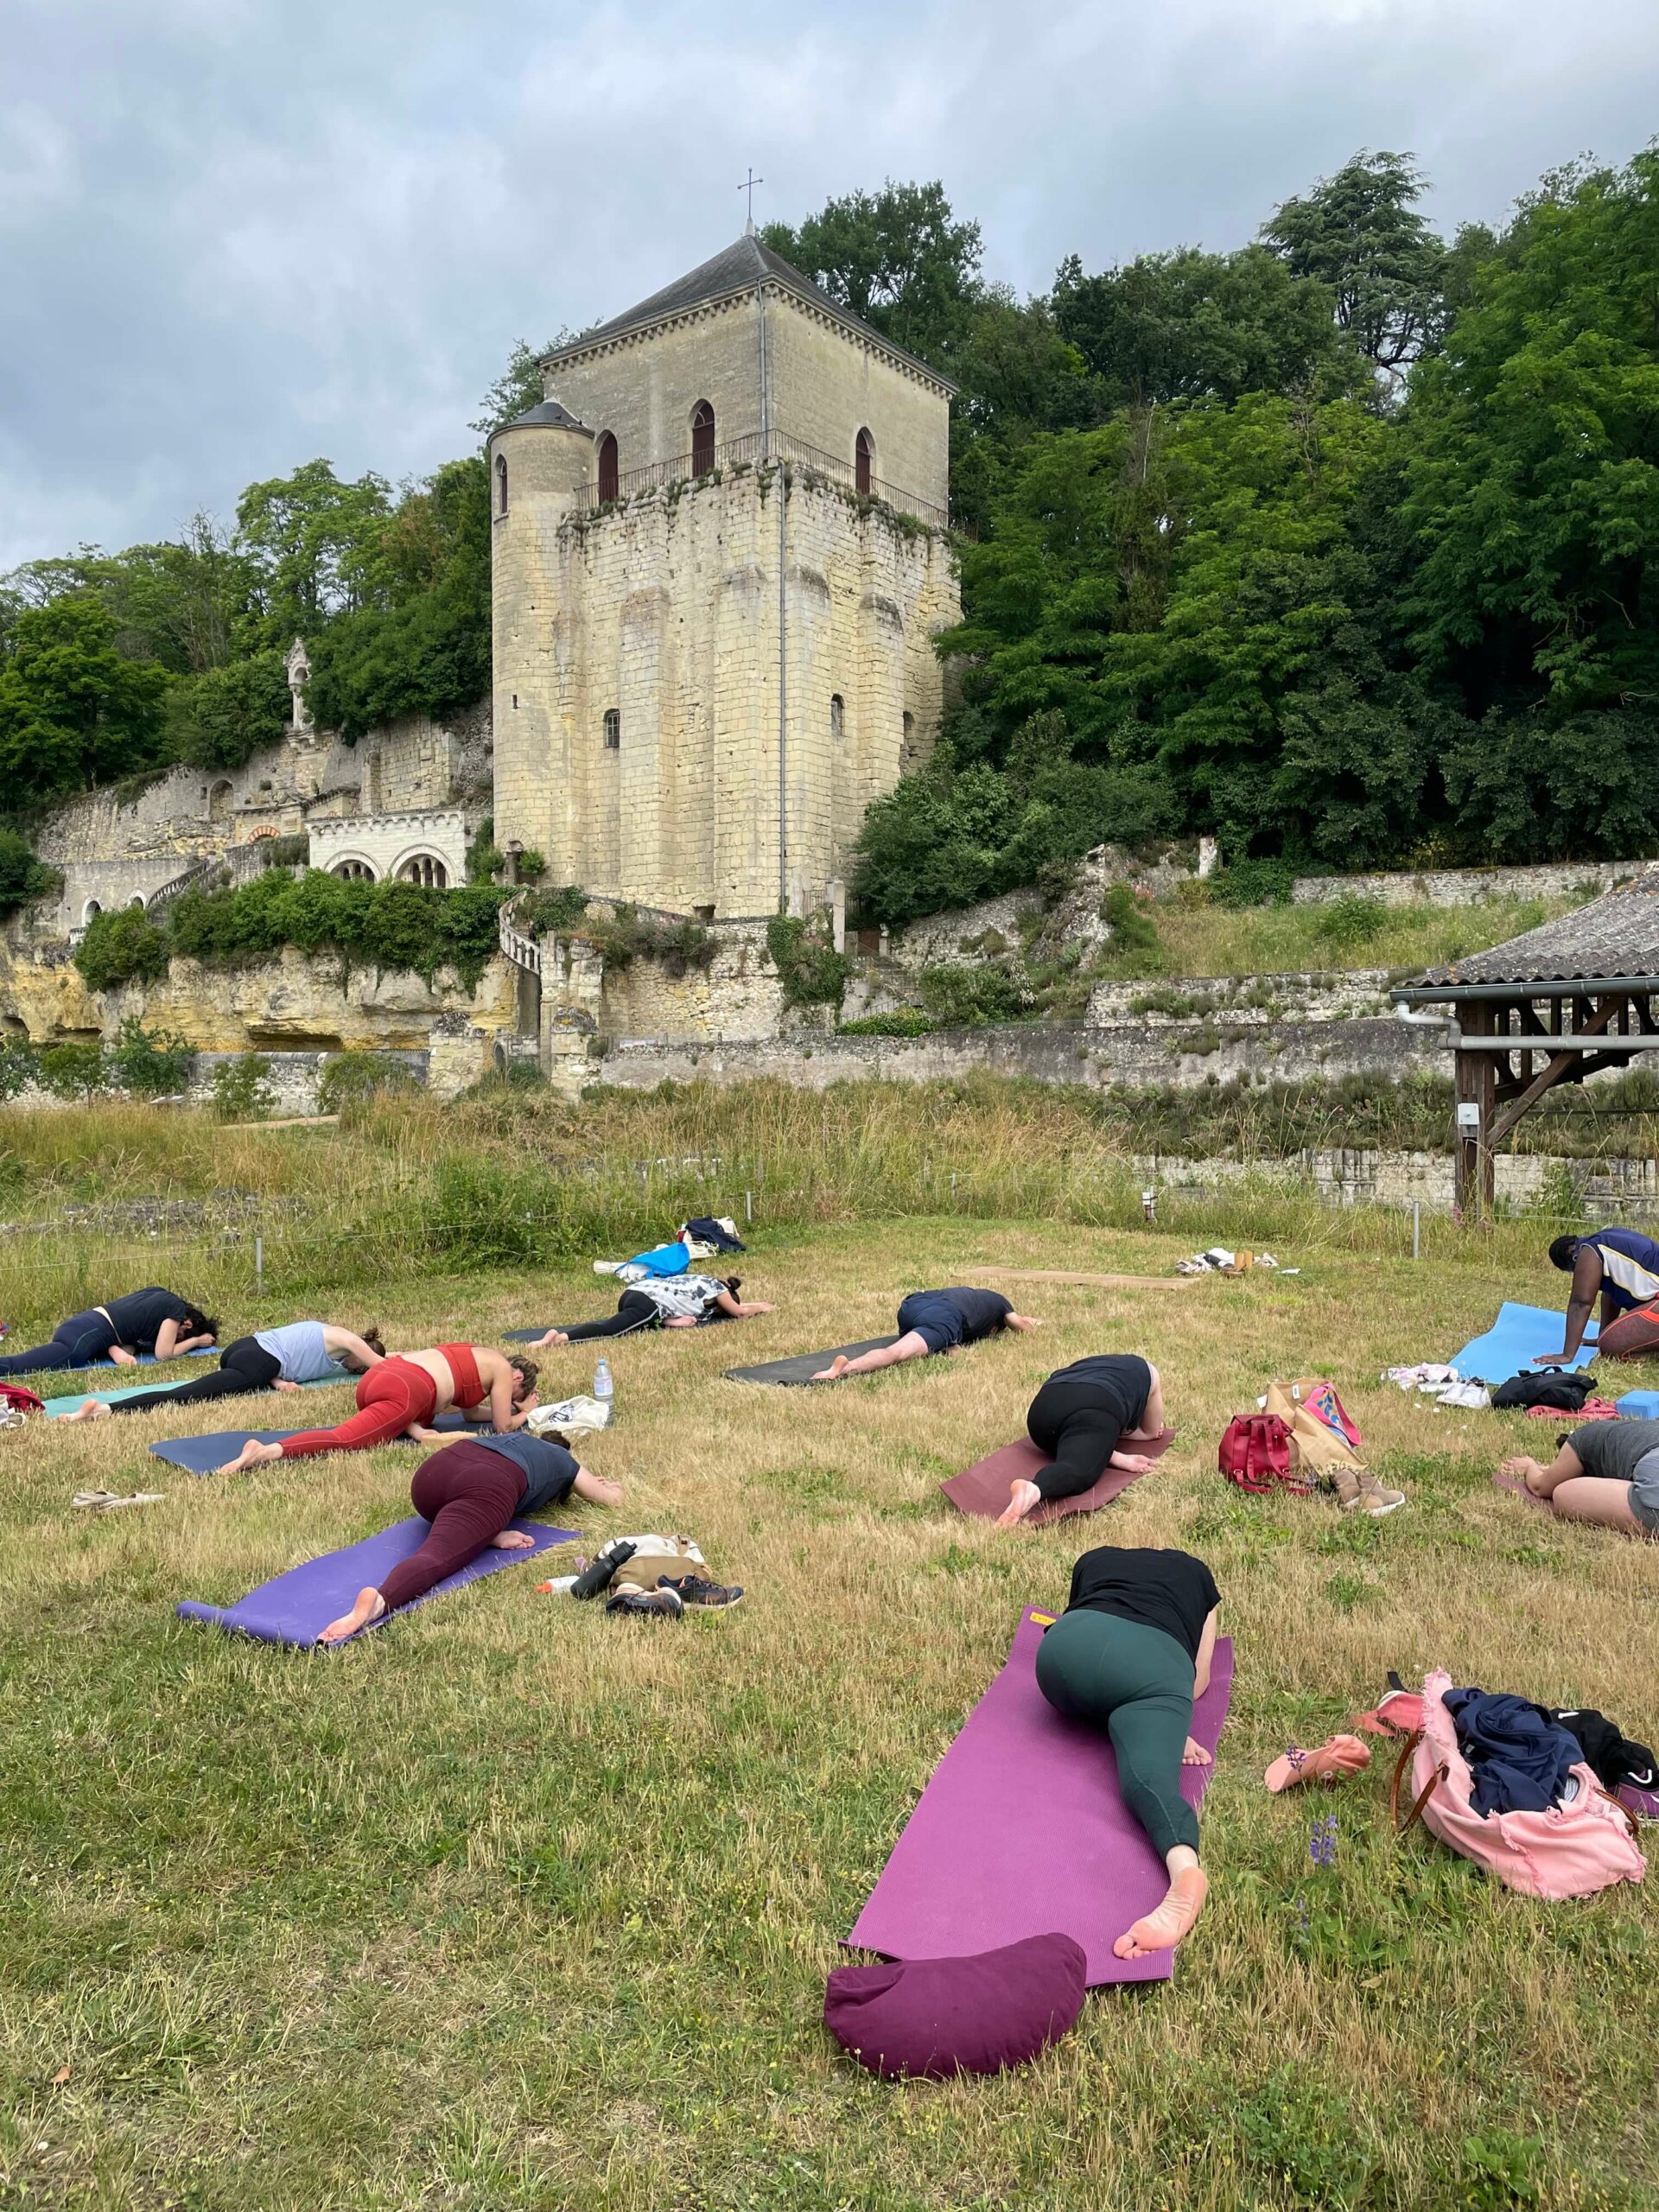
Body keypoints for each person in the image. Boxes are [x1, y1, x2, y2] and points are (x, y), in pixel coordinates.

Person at [1035, 1543, 1220, 1960]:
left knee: (1106, 1699)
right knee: (1149, 1778)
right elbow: (1201, 1674)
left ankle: (1127, 1717)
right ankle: (1184, 1872)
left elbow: (1074, 1612)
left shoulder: (1094, 1558)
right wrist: (1169, 1723)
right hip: (1153, 1665)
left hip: (1065, 1659)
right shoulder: (1200, 1575)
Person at [318, 1431, 623, 1645]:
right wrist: (609, 1487)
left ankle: (485, 1534)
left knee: (465, 1523)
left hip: (433, 1477)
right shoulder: (564, 1459)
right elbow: (612, 1501)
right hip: (486, 1482)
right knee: (437, 1557)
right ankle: (377, 1605)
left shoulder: (514, 1438)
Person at [212, 1344, 538, 1475]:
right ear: (517, 1377)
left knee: (417, 1415)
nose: (509, 1397)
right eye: (514, 1393)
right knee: (345, 1439)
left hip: (383, 1376)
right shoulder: (500, 1370)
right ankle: (266, 1451)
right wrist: (524, 1413)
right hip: (407, 1389)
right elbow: (502, 1427)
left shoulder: (480, 1354)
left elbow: (470, 1414)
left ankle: (417, 1430)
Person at [59, 1321, 386, 1421]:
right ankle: (104, 1409)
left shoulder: (328, 1331)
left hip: (242, 1349)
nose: (354, 1372)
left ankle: (101, 1409)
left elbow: (287, 1349)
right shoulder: (350, 1342)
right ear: (364, 1351)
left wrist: (277, 1382)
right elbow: (386, 1368)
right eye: (358, 1370)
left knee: (193, 1392)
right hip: (259, 1361)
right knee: (187, 1395)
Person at [997, 1352, 1166, 1529]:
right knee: (1078, 1468)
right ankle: (1034, 1490)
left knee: (1078, 1440)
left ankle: (1103, 1452)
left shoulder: (1095, 1363)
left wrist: (1109, 1450)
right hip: (1095, 1401)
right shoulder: (1151, 1373)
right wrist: (1114, 1435)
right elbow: (1151, 1432)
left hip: (1042, 1411)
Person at [811, 1287, 1038, 1381]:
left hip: (914, 1304)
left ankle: (941, 1343)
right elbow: (1020, 1326)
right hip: (944, 1316)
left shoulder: (981, 1297)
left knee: (944, 1344)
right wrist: (1030, 1323)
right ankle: (846, 1368)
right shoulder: (1001, 1304)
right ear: (996, 1326)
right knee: (897, 1353)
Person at [0, 1287, 217, 1377]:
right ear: (186, 1324)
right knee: (65, 1358)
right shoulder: (175, 1309)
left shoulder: (158, 1296)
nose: (174, 1340)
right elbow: (164, 1353)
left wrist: (121, 1352)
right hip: (89, 1332)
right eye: (179, 1338)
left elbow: (131, 1335)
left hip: (89, 1325)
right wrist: (196, 1342)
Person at [1501, 1416, 1659, 1537]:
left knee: (1561, 1495)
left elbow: (1538, 1486)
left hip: (1653, 1484)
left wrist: (1530, 1467)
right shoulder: (1625, 1436)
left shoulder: (1582, 1439)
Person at [529, 1275, 772, 1346]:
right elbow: (739, 1312)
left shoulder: (700, 1284)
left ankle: (561, 1337)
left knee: (637, 1324)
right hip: (648, 1302)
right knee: (611, 1331)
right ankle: (560, 1337)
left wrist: (671, 1322)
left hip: (633, 1294)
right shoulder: (717, 1287)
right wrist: (762, 1306)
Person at [1540, 1229, 1659, 1362]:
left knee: (1610, 1345)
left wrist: (1567, 1355)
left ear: (1573, 1256)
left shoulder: (1589, 1251)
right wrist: (1601, 1336)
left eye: (1574, 1269)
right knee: (1605, 1340)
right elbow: (1611, 1294)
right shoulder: (1605, 1241)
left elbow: (1580, 1303)